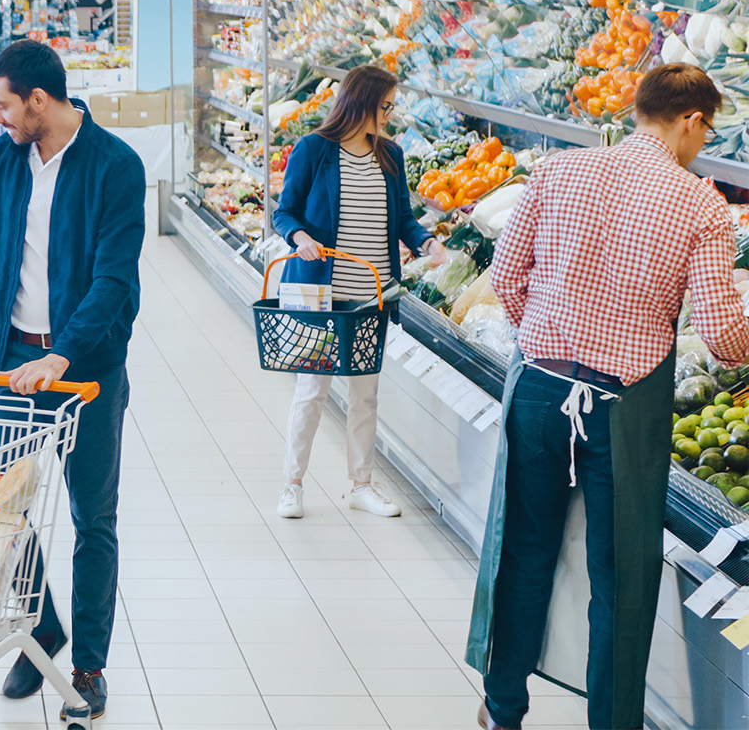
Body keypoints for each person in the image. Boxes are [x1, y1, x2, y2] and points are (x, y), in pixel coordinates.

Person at [468, 64, 749, 730]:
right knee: (619, 581)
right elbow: (722, 337)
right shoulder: (701, 204)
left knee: (524, 552)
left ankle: (503, 708)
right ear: (691, 122)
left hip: (538, 386)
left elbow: (506, 279)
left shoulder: (560, 173)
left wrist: (552, 329)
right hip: (624, 411)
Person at [0, 39, 144, 720]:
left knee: (91, 519)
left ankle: (89, 665)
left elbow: (113, 281)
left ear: (38, 101)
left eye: (2, 107)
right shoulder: (5, 160)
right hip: (12, 363)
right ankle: (40, 629)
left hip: (86, 375)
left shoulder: (115, 167)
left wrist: (63, 356)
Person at [268, 64, 445, 520]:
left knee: (365, 393)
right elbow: (284, 212)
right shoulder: (313, 150)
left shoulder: (390, 155)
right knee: (313, 390)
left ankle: (361, 485)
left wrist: (425, 241)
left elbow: (403, 217)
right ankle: (291, 485)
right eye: (385, 105)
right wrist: (299, 238)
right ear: (361, 102)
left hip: (373, 293)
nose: (389, 114)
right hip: (320, 293)